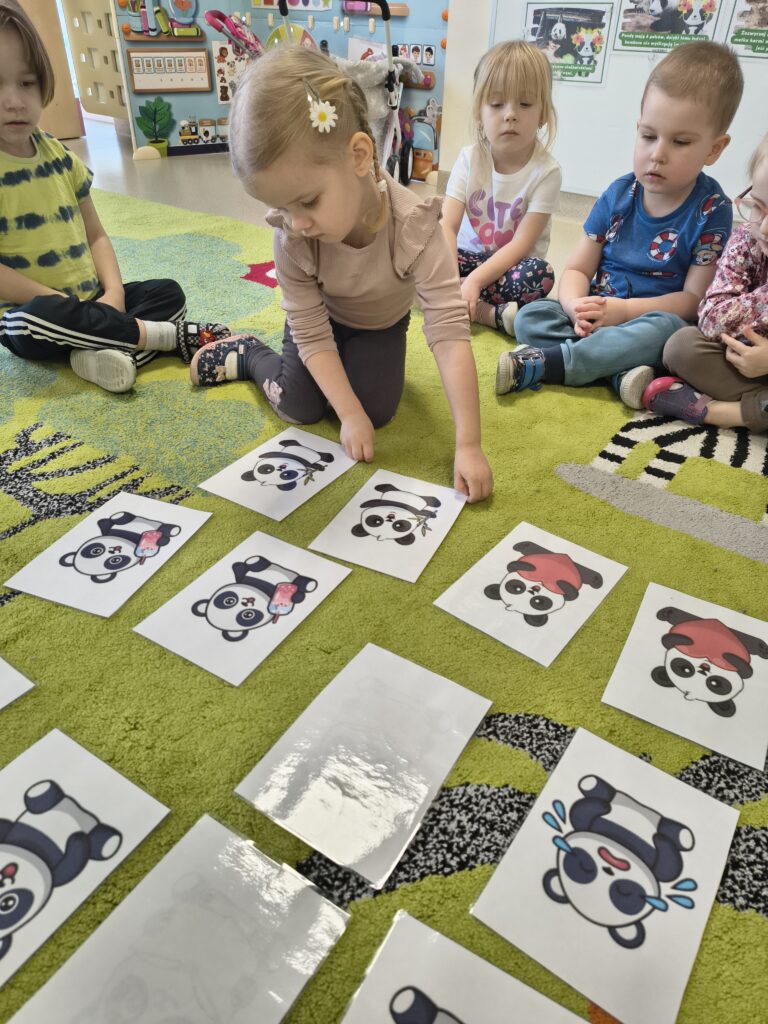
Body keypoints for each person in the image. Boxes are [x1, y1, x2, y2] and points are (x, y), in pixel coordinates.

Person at [190, 46, 493, 502]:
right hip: (320, 322)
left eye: (307, 202)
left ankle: (347, 376)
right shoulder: (293, 236)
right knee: (300, 407)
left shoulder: (415, 227)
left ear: (359, 156)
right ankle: (250, 354)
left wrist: (468, 444)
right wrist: (348, 413)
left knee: (378, 412)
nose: (296, 223)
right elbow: (311, 330)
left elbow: (450, 333)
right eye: (281, 208)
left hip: (380, 324)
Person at [497, 41, 743, 410]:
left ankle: (554, 364)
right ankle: (617, 374)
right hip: (598, 315)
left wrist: (624, 312)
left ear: (714, 149)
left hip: (648, 321)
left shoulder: (713, 210)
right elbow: (578, 269)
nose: (657, 153)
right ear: (637, 128)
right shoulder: (618, 194)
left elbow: (692, 301)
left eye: (680, 142)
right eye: (648, 136)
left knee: (669, 334)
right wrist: (575, 306)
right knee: (532, 316)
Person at [0, 0, 228, 393]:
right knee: (31, 318)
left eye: (27, 82)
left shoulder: (59, 156)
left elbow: (97, 236)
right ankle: (162, 338)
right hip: (38, 314)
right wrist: (66, 305)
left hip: (95, 302)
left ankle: (105, 354)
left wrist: (114, 294)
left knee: (167, 292)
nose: (14, 101)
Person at [643, 134, 768, 432]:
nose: (764, 228)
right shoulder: (747, 239)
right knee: (681, 346)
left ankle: (723, 413)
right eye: (759, 206)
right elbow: (713, 318)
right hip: (745, 363)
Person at [441, 40, 560, 335]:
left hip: (510, 268)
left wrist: (474, 282)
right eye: (496, 104)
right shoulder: (469, 159)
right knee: (419, 252)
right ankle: (488, 313)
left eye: (525, 104)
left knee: (540, 274)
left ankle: (464, 301)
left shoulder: (547, 172)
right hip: (465, 258)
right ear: (479, 114)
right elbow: (447, 226)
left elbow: (521, 245)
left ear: (543, 113)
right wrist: (450, 278)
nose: (510, 114)